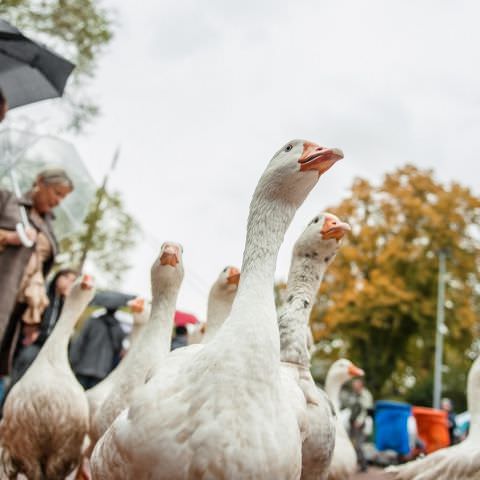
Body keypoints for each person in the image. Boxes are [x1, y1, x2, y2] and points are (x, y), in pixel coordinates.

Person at [0, 168, 74, 376]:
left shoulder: (48, 226)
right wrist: (9, 237)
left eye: (64, 197)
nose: (59, 201)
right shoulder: (7, 201)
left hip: (19, 307)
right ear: (40, 182)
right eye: (57, 193)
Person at [69, 308, 127, 389]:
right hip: (102, 370)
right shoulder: (118, 328)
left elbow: (79, 342)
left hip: (84, 367)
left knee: (78, 394)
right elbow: (118, 349)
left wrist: (73, 361)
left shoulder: (92, 322)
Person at [348, 378, 374, 472]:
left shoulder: (365, 395)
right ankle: (356, 463)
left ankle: (364, 465)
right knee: (351, 444)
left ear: (361, 385)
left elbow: (365, 410)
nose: (353, 385)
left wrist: (359, 420)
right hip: (352, 422)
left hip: (360, 424)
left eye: (355, 384)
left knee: (358, 445)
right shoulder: (354, 394)